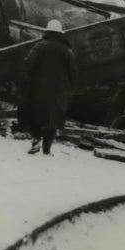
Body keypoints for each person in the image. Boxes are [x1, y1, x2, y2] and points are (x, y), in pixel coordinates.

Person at [24, 19, 77, 155]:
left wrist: (31, 80)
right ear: (60, 33)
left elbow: (29, 65)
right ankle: (46, 148)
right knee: (52, 120)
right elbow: (73, 72)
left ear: (47, 31)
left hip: (39, 89)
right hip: (57, 92)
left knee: (36, 116)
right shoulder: (67, 50)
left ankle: (35, 142)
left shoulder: (39, 46)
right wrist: (70, 89)